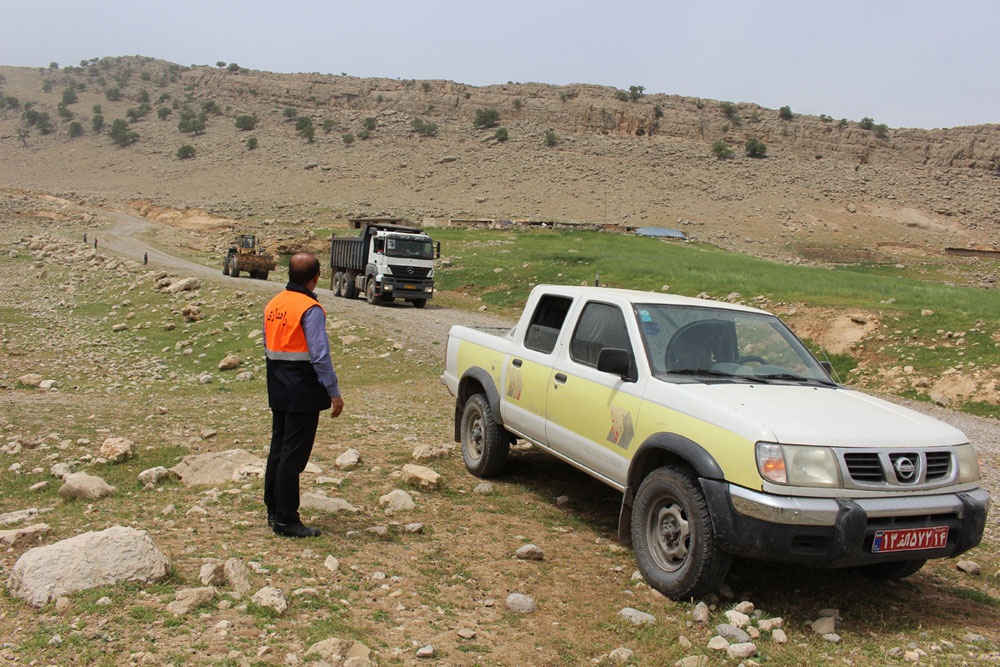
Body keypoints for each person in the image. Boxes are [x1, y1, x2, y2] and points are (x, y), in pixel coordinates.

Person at [263, 252, 344, 538]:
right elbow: (320, 356)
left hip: (278, 384)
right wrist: (333, 392)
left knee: (278, 449)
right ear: (316, 277)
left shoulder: (274, 304)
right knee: (293, 458)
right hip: (302, 389)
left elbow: (268, 345)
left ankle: (273, 509)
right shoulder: (310, 308)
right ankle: (287, 519)